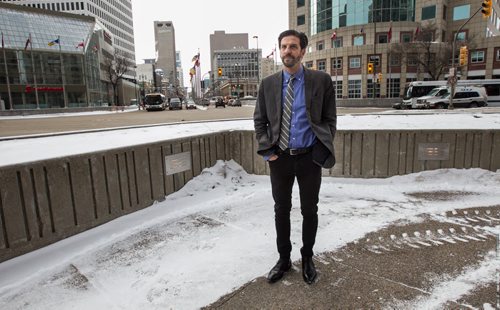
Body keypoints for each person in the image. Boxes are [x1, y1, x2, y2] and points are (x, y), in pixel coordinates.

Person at [253, 29, 337, 284]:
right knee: (281, 209)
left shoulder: (321, 81)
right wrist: (268, 151)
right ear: (279, 50)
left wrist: (321, 149)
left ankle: (308, 257)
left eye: (293, 46)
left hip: (309, 158)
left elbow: (329, 120)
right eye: (283, 47)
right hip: (281, 159)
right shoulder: (268, 84)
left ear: (302, 51)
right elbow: (260, 121)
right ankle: (284, 259)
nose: (287, 51)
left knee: (310, 209)